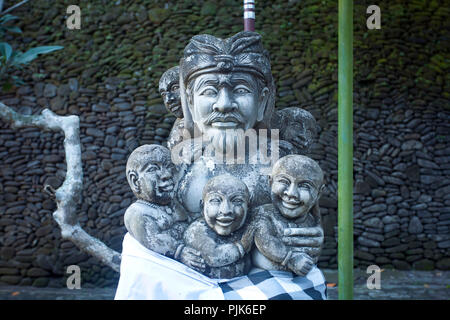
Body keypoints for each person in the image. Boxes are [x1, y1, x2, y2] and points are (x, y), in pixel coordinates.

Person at [124, 144, 205, 272]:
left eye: (168, 167)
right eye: (153, 169)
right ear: (135, 181)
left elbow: (179, 176)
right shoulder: (138, 213)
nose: (166, 174)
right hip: (167, 269)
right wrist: (180, 252)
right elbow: (154, 239)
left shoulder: (175, 202)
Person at [251, 155, 325, 276]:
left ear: (319, 193)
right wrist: (291, 259)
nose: (291, 193)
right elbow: (264, 240)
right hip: (263, 278)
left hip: (300, 280)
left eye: (304, 186)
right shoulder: (264, 214)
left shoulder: (311, 220)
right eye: (284, 181)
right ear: (270, 182)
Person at [183, 175, 254, 279]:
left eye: (237, 201)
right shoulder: (197, 230)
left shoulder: (247, 226)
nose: (225, 210)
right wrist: (241, 247)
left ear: (248, 206)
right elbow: (212, 256)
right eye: (216, 201)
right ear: (202, 207)